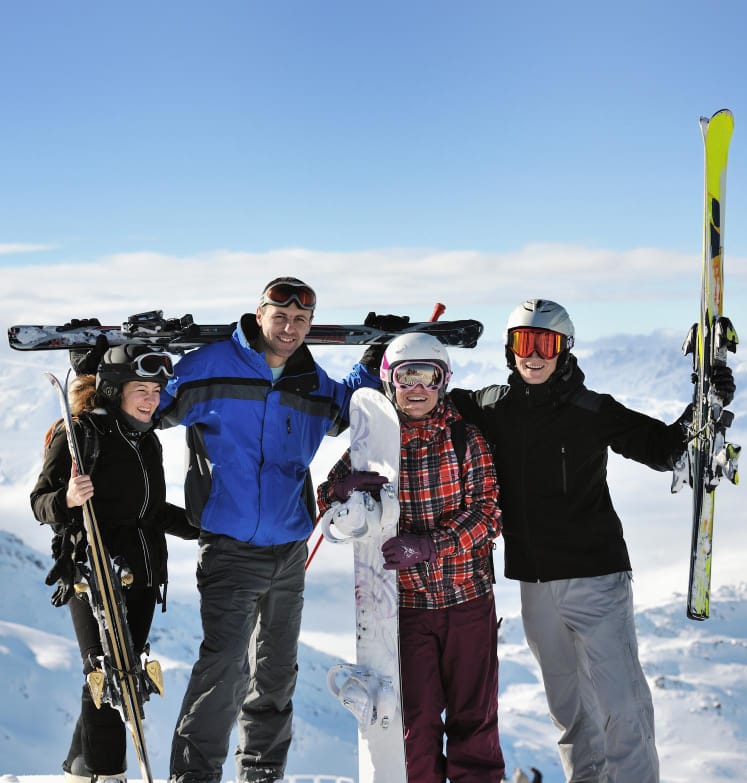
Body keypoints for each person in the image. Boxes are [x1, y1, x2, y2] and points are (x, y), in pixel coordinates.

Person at [449, 299, 736, 783]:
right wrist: (385, 363)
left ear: (564, 349)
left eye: (546, 344)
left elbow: (663, 448)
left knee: (621, 706)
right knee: (570, 712)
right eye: (524, 343)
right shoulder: (493, 407)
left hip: (596, 578)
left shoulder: (591, 409)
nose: (534, 355)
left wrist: (707, 404)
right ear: (509, 349)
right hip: (535, 586)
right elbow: (423, 398)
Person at [158, 277, 381, 783]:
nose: (290, 327)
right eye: (280, 316)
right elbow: (150, 406)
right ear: (259, 314)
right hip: (230, 549)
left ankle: (261, 773)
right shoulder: (209, 366)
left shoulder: (310, 380)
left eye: (301, 320)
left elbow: (347, 409)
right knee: (224, 670)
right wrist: (106, 376)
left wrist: (374, 363)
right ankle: (194, 777)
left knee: (277, 673)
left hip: (289, 551)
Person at [317, 333, 505, 783]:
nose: (417, 389)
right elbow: (326, 496)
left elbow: (489, 512)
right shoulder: (375, 441)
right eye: (407, 377)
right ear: (390, 381)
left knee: (474, 722)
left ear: (443, 382)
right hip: (407, 611)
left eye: (428, 377)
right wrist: (340, 492)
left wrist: (429, 546)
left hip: (467, 601)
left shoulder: (465, 438)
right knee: (413, 729)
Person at [30, 346, 198, 783]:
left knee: (122, 675)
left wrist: (204, 527)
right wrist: (67, 499)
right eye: (139, 389)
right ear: (114, 390)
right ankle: (108, 773)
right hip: (92, 570)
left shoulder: (148, 439)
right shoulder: (81, 433)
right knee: (107, 672)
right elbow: (40, 503)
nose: (150, 399)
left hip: (142, 573)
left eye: (156, 390)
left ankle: (81, 769)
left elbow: (151, 510)